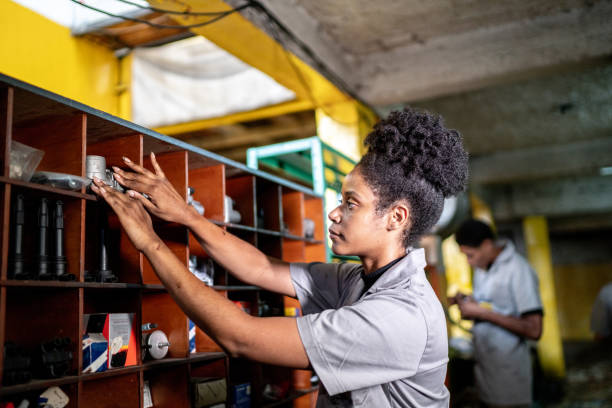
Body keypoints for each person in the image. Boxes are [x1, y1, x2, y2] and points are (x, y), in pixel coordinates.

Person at [90, 107, 469, 407]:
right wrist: (186, 215)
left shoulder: (399, 316)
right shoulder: (357, 280)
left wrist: (151, 243)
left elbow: (242, 338)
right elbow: (261, 267)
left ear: (396, 217)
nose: (335, 213)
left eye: (351, 203)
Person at [451, 219, 543, 408]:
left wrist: (481, 313)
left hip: (510, 381)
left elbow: (535, 330)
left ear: (486, 245)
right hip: (486, 375)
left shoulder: (518, 269)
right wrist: (470, 304)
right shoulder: (483, 267)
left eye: (470, 255)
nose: (469, 262)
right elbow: (496, 306)